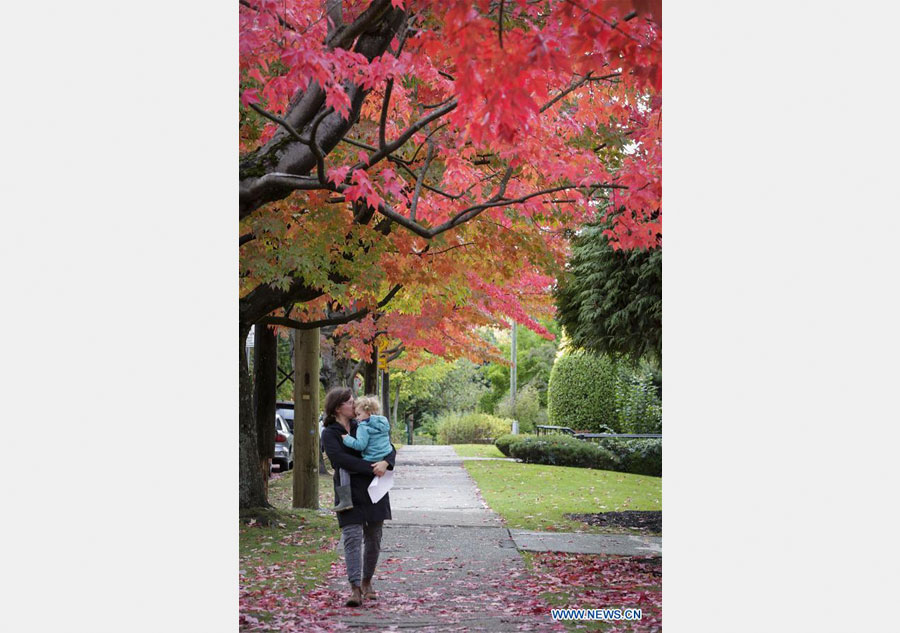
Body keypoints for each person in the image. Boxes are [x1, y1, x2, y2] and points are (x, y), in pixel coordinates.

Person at [321, 387, 395, 607]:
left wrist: (387, 462)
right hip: (348, 491)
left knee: (374, 538)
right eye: (349, 402)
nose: (354, 405)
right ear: (337, 408)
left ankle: (367, 581)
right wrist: (372, 467)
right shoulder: (330, 433)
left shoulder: (363, 423)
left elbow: (387, 446)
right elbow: (340, 460)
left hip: (374, 490)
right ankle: (354, 588)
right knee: (352, 538)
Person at [332, 396, 392, 511]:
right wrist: (386, 461)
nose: (357, 418)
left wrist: (347, 439)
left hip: (371, 458)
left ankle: (345, 500)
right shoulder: (383, 421)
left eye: (359, 414)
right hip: (384, 454)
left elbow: (361, 445)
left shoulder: (363, 427)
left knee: (343, 470)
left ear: (368, 412)